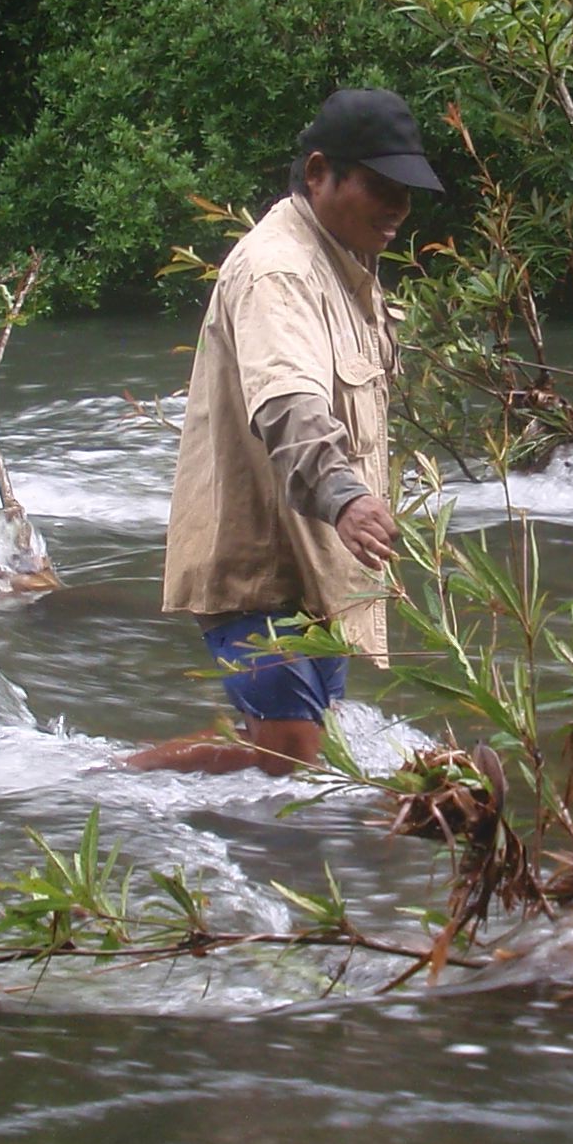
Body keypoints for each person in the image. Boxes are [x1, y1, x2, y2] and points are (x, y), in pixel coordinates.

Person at [126, 88, 443, 777]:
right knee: (289, 754)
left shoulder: (345, 268)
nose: (398, 209)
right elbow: (288, 402)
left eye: (408, 193)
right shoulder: (280, 270)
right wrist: (347, 498)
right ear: (319, 172)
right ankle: (99, 788)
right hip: (259, 562)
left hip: (317, 565)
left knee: (303, 754)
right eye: (382, 187)